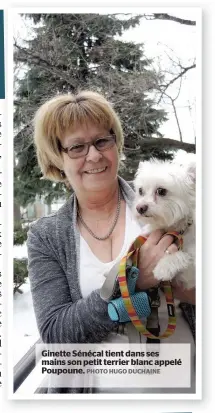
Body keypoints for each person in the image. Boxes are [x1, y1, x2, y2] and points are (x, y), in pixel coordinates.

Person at [27, 91, 195, 394]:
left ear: (115, 144)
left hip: (187, 388)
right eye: (77, 147)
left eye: (102, 141)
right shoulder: (46, 236)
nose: (93, 156)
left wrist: (189, 287)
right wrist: (132, 281)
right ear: (58, 157)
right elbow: (55, 334)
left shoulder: (168, 201)